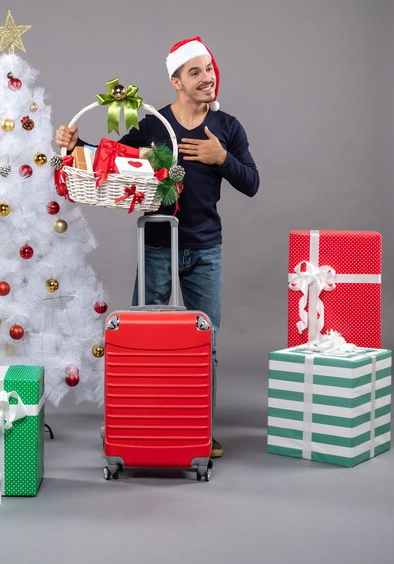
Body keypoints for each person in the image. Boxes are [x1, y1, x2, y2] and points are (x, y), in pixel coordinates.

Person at [56, 36, 259, 459]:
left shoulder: (227, 128)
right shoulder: (155, 124)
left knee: (207, 343)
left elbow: (252, 183)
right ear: (176, 81)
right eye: (196, 72)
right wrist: (75, 146)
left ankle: (199, 427)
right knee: (144, 337)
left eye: (209, 69)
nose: (207, 78)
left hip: (206, 249)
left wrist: (221, 157)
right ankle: (136, 422)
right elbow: (109, 158)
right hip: (156, 246)